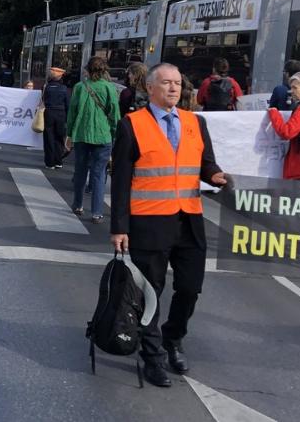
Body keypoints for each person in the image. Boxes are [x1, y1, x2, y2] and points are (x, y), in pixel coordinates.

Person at [110, 62, 227, 388]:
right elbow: (120, 181)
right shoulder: (132, 124)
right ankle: (152, 356)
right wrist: (119, 227)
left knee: (190, 288)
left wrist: (215, 175)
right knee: (151, 293)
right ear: (150, 88)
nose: (175, 88)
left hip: (188, 220)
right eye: (167, 83)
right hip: (149, 222)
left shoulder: (195, 122)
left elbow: (206, 163)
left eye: (178, 83)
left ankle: (173, 338)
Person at [65, 56, 121, 222]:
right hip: (103, 136)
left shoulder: (80, 87)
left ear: (88, 70)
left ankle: (77, 204)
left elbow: (72, 113)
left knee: (80, 171)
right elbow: (115, 115)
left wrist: (69, 135)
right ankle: (97, 212)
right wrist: (114, 134)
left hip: (82, 135)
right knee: (98, 174)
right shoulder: (110, 88)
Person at [41, 67, 70, 169]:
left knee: (49, 138)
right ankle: (59, 161)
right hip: (61, 114)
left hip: (49, 113)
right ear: (60, 77)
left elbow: (43, 100)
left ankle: (50, 163)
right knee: (59, 138)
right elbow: (67, 104)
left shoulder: (46, 87)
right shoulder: (64, 88)